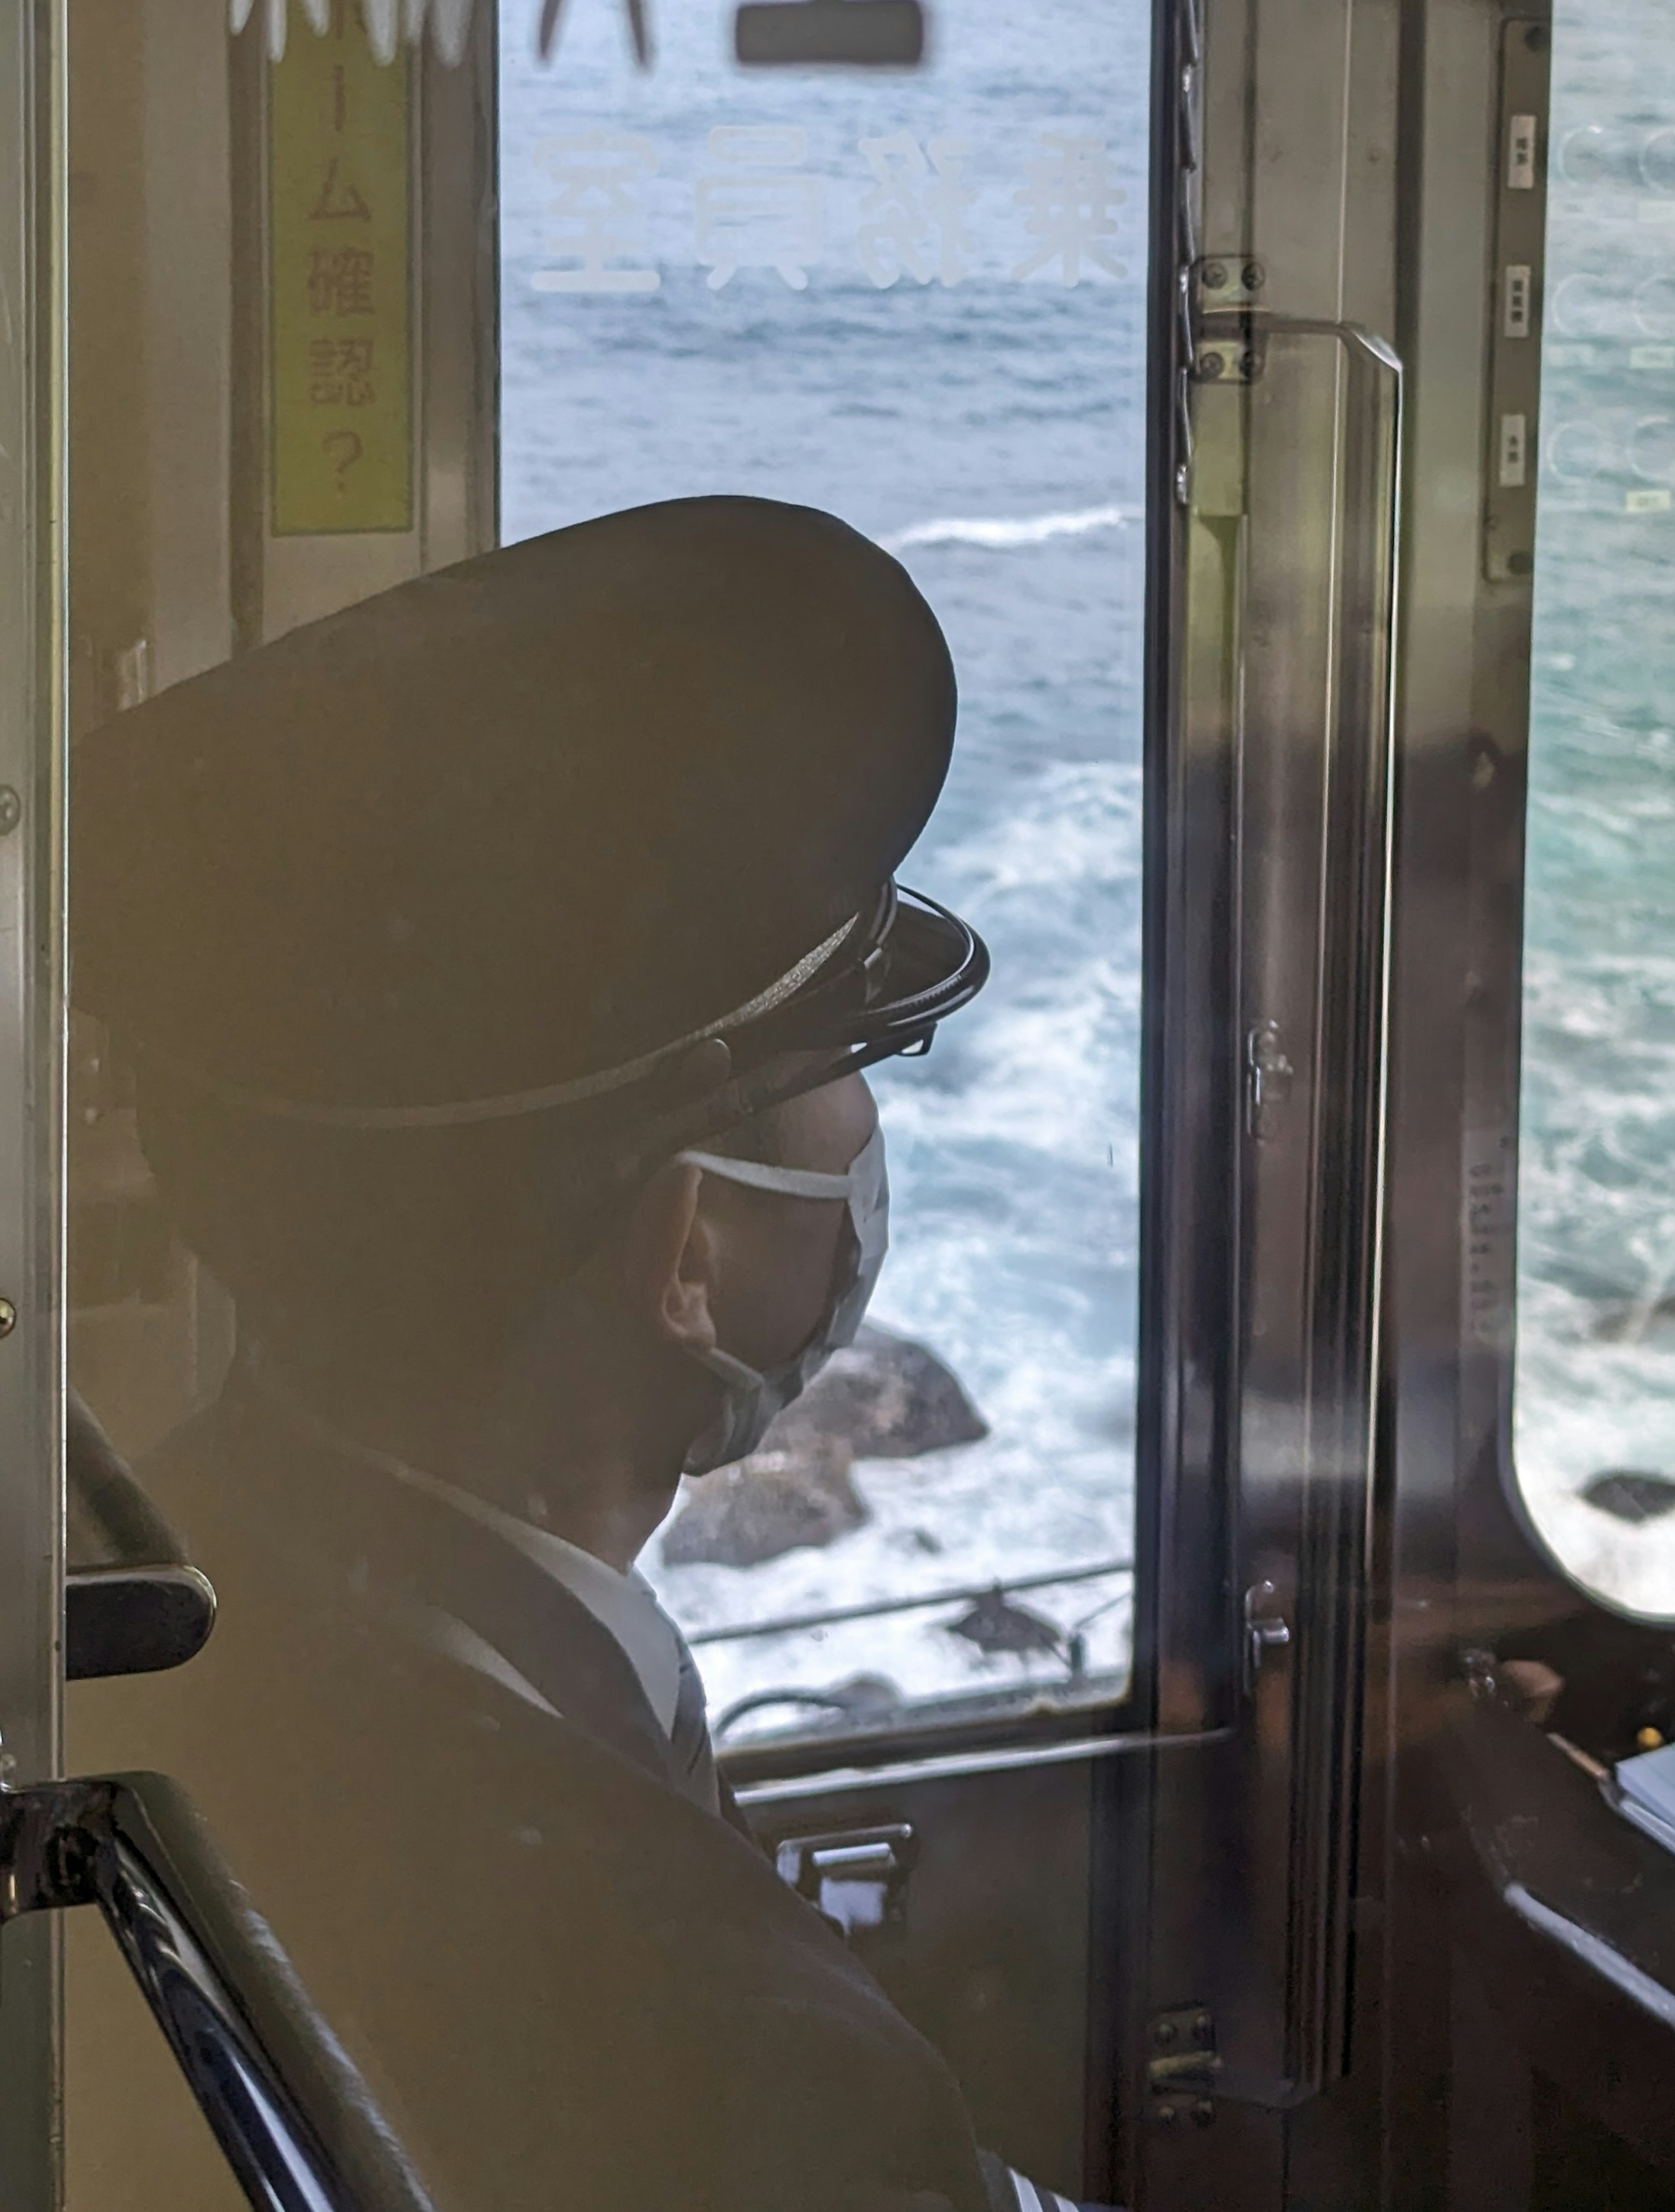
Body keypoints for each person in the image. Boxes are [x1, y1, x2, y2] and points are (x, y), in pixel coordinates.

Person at [68, 495, 1100, 2212]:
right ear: (688, 1256)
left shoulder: (174, 1608)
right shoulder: (717, 2038)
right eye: (851, 1064)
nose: (866, 1132)